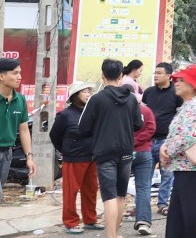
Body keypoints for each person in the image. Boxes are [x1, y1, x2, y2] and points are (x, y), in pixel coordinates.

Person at [78, 58, 144, 238]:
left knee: (109, 196)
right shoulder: (131, 98)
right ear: (121, 76)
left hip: (104, 152)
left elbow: (83, 127)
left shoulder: (96, 99)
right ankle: (115, 234)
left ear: (102, 75)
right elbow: (138, 124)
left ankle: (111, 236)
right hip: (126, 152)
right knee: (121, 195)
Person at [160, 64, 196, 238]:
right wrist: (165, 146)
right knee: (176, 222)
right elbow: (178, 133)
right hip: (184, 168)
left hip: (193, 169)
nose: (176, 83)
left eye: (181, 80)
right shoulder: (188, 105)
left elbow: (189, 136)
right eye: (176, 80)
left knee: (193, 222)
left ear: (192, 85)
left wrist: (168, 151)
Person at [49, 81, 102, 234]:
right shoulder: (65, 115)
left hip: (92, 158)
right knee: (71, 192)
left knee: (91, 191)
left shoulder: (93, 112)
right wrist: (66, 150)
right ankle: (70, 222)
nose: (88, 94)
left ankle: (90, 220)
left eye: (89, 91)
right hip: (73, 159)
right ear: (75, 96)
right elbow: (54, 135)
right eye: (84, 91)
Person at [142, 61, 184, 216]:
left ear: (168, 75)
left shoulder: (176, 93)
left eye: (159, 73)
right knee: (145, 175)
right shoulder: (148, 92)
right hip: (148, 141)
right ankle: (143, 205)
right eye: (155, 73)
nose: (156, 76)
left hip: (166, 141)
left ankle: (162, 204)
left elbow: (180, 116)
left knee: (166, 175)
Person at [0, 58, 35, 203]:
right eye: (15, 73)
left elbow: (24, 130)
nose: (19, 77)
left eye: (20, 73)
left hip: (7, 152)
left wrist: (29, 157)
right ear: (2, 76)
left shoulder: (20, 100)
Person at [131, 97, 156, 235]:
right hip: (144, 152)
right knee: (143, 187)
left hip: (124, 153)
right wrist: (138, 140)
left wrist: (130, 141)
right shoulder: (146, 110)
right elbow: (151, 128)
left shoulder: (119, 111)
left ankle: (115, 219)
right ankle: (144, 221)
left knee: (118, 188)